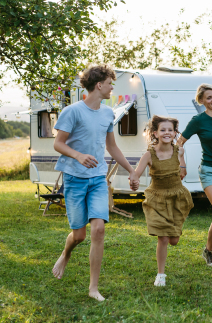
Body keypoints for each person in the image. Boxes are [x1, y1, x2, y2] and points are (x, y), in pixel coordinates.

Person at [51, 64, 136, 301]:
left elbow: (111, 146)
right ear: (99, 85)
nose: (112, 88)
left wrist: (131, 170)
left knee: (98, 229)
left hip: (98, 178)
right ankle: (66, 253)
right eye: (110, 83)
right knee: (79, 236)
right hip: (75, 179)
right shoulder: (73, 111)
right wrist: (78, 156)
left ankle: (93, 288)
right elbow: (58, 144)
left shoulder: (108, 113)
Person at [129, 116, 194, 287]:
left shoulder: (179, 151)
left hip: (176, 197)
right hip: (157, 198)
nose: (167, 133)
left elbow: (182, 170)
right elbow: (136, 173)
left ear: (174, 133)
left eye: (170, 130)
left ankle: (174, 234)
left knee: (174, 240)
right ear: (155, 133)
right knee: (163, 238)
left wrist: (182, 167)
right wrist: (133, 180)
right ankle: (161, 275)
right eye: (163, 130)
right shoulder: (149, 155)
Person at [177, 83, 212, 273]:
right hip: (209, 170)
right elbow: (179, 142)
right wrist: (181, 163)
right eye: (208, 97)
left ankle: (207, 250)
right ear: (201, 101)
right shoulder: (198, 120)